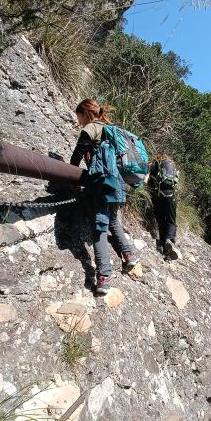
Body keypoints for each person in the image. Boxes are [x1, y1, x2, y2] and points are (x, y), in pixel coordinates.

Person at [70, 98, 137, 294]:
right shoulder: (110, 129)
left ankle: (104, 276)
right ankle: (129, 254)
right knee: (113, 220)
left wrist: (71, 180)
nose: (78, 121)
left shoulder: (91, 128)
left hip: (102, 185)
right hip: (118, 185)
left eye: (79, 117)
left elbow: (76, 155)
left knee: (99, 227)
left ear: (85, 113)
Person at [147, 154, 181, 260]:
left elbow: (145, 179)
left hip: (157, 197)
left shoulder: (154, 165)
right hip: (170, 196)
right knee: (171, 221)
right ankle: (169, 242)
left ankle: (163, 247)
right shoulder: (171, 166)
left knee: (161, 222)